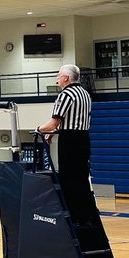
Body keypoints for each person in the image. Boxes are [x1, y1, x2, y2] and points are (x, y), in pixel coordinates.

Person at [37, 64, 101, 228]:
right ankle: (89, 216)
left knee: (68, 179)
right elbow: (73, 121)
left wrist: (38, 130)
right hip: (84, 139)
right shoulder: (85, 94)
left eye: (59, 75)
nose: (57, 79)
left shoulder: (65, 95)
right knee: (81, 178)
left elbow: (53, 122)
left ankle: (74, 218)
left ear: (65, 78)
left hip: (70, 141)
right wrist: (53, 131)